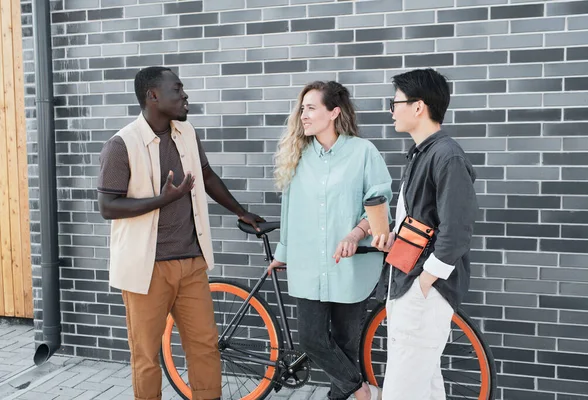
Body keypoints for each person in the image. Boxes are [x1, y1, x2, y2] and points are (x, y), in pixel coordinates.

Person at [97, 66, 264, 400]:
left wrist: (240, 211)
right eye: (178, 89)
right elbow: (108, 206)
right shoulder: (121, 144)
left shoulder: (186, 133)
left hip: (191, 263)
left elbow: (206, 175)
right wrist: (163, 199)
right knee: (146, 356)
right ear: (153, 95)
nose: (185, 95)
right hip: (147, 270)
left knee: (204, 346)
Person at [268, 81, 392, 400]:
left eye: (311, 108)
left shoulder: (363, 153)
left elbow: (378, 204)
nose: (303, 115)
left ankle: (340, 395)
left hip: (351, 267)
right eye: (302, 108)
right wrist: (283, 252)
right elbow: (289, 210)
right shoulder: (298, 156)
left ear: (333, 112)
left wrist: (356, 232)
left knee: (346, 343)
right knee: (311, 340)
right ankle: (360, 390)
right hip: (308, 265)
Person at [371, 68, 478, 399]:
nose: (391, 110)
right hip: (409, 282)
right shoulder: (423, 153)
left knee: (402, 390)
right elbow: (425, 223)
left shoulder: (447, 156)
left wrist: (423, 284)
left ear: (418, 107)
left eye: (395, 102)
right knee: (426, 385)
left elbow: (456, 231)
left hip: (424, 290)